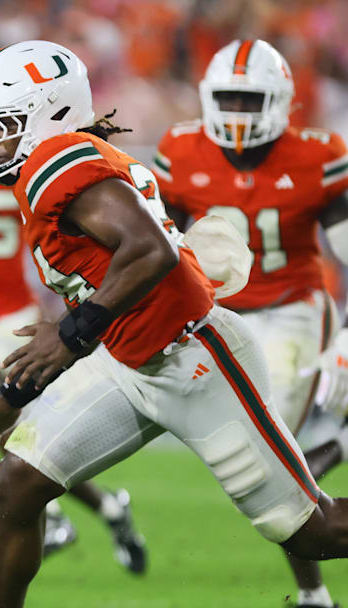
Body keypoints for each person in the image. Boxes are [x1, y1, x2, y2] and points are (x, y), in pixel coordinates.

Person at [0, 40, 348, 608]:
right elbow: (108, 285)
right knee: (15, 486)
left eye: (1, 124)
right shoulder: (70, 164)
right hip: (129, 360)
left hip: (195, 361)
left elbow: (150, 250)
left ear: (51, 112)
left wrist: (67, 336)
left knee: (313, 531)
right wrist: (17, 393)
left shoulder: (53, 162)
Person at [0, 59, 147, 572]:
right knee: (13, 433)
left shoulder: (15, 165)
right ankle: (109, 506)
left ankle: (57, 516)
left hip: (7, 312)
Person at [155, 39, 348, 608]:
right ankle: (314, 589)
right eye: (229, 99)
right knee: (267, 466)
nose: (237, 114)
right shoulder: (181, 148)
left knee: (276, 454)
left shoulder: (319, 155)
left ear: (282, 101)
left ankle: (332, 447)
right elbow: (160, 243)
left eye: (250, 100)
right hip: (217, 312)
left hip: (294, 306)